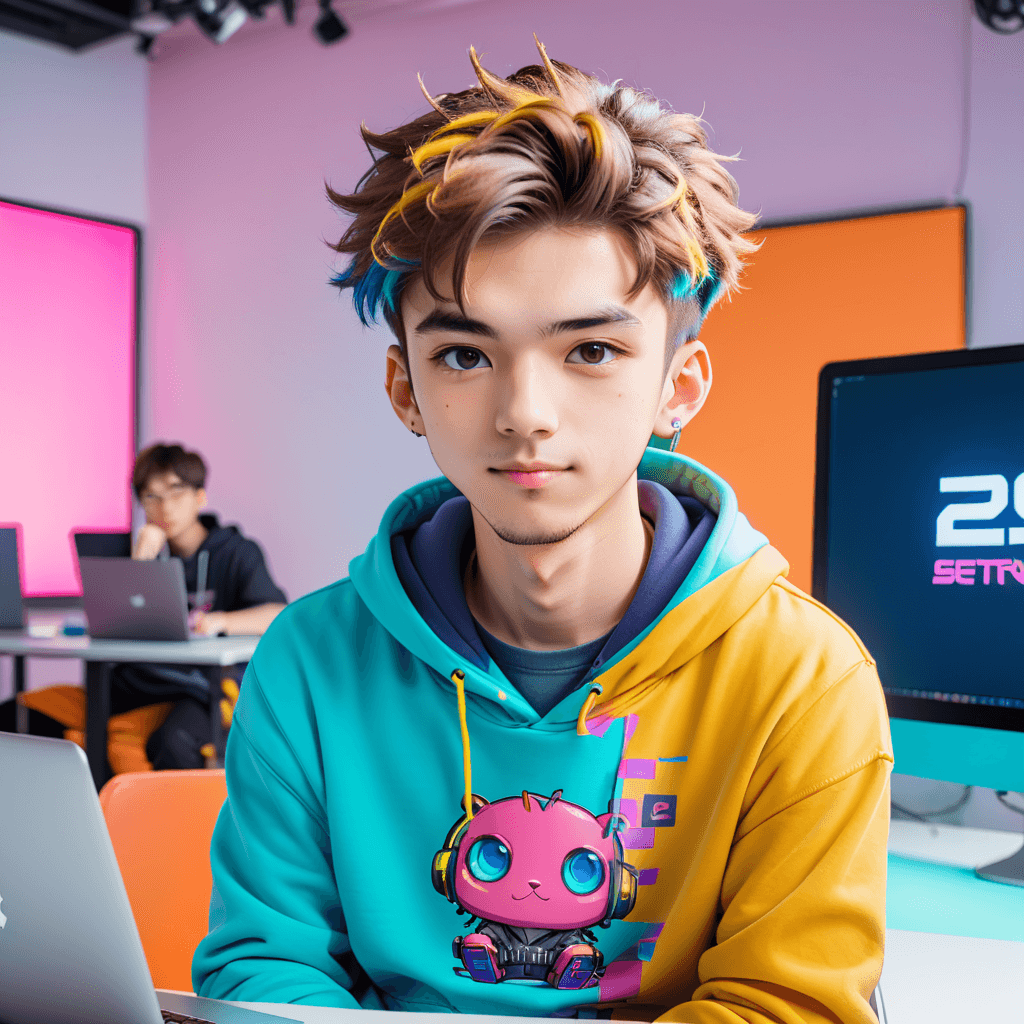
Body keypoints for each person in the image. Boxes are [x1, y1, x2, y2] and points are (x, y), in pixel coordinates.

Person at [193, 44, 892, 1023]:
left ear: (676, 386)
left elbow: (787, 1005)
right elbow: (266, 970)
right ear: (407, 389)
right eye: (466, 353)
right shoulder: (308, 664)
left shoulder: (805, 677)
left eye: (592, 350)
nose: (526, 411)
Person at [0, 443, 287, 771]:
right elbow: (118, 619)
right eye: (152, 497)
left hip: (198, 687)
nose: (165, 508)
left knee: (172, 742)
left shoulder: (237, 552)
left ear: (200, 497)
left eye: (176, 493)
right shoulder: (134, 549)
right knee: (15, 716)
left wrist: (219, 620)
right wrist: (141, 561)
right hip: (133, 684)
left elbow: (277, 613)